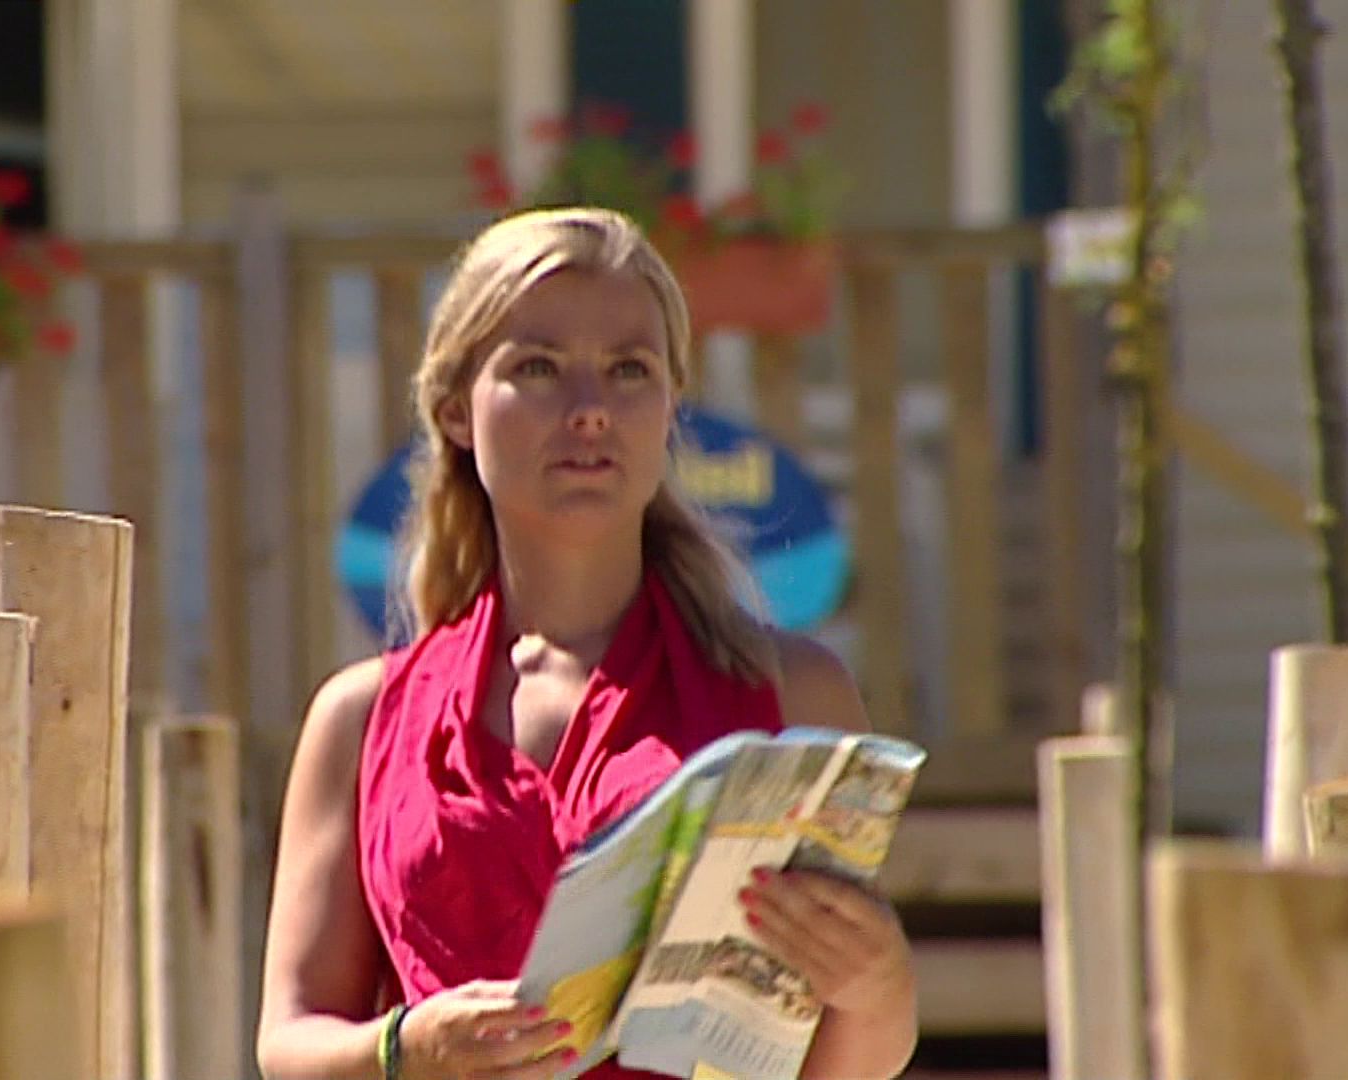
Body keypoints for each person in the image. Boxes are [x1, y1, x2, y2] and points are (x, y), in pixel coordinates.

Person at [257, 207, 917, 1080]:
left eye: (629, 370)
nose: (592, 410)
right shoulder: (361, 718)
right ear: (455, 410)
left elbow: (844, 1056)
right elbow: (288, 1040)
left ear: (670, 406)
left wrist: (880, 985)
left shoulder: (795, 693)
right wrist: (408, 1047)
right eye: (538, 367)